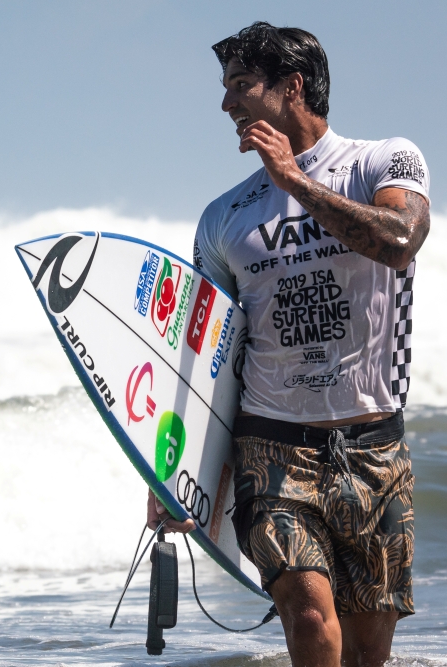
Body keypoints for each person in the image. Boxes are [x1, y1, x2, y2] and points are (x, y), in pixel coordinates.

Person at [146, 23, 429, 667]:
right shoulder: (224, 217)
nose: (226, 104)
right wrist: (174, 472)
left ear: (292, 85)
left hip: (374, 447)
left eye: (241, 85)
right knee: (307, 619)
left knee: (365, 653)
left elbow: (399, 240)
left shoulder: (384, 161)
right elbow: (203, 353)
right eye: (226, 89)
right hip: (272, 447)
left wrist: (294, 181)